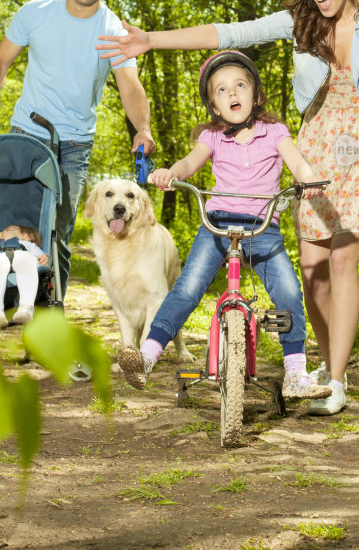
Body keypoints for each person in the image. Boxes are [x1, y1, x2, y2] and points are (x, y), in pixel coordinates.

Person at [100, 0, 359, 415]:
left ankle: (336, 381)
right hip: (314, 145)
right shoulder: (300, 21)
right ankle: (320, 366)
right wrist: (152, 41)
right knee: (313, 274)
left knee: (342, 263)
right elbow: (229, 35)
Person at [118, 50, 333, 401]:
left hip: (262, 227)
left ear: (256, 94)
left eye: (240, 85)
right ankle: (146, 357)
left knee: (289, 292)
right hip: (216, 225)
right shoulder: (214, 137)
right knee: (187, 289)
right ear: (214, 107)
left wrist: (310, 179)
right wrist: (170, 174)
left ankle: (296, 373)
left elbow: (298, 163)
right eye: (221, 90)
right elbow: (190, 163)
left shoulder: (274, 132)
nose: (232, 93)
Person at [0, 0, 155, 291]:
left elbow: (130, 86)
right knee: (12, 224)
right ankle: (1, 295)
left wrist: (143, 128)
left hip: (74, 143)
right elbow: (0, 61)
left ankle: (49, 320)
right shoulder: (36, 13)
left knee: (57, 232)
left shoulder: (113, 30)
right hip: (26, 134)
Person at [0, 224, 49, 328]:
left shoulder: (29, 245)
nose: (3, 231)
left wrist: (45, 257)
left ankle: (26, 307)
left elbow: (42, 257)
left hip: (21, 254)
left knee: (27, 259)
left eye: (8, 229)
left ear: (27, 236)